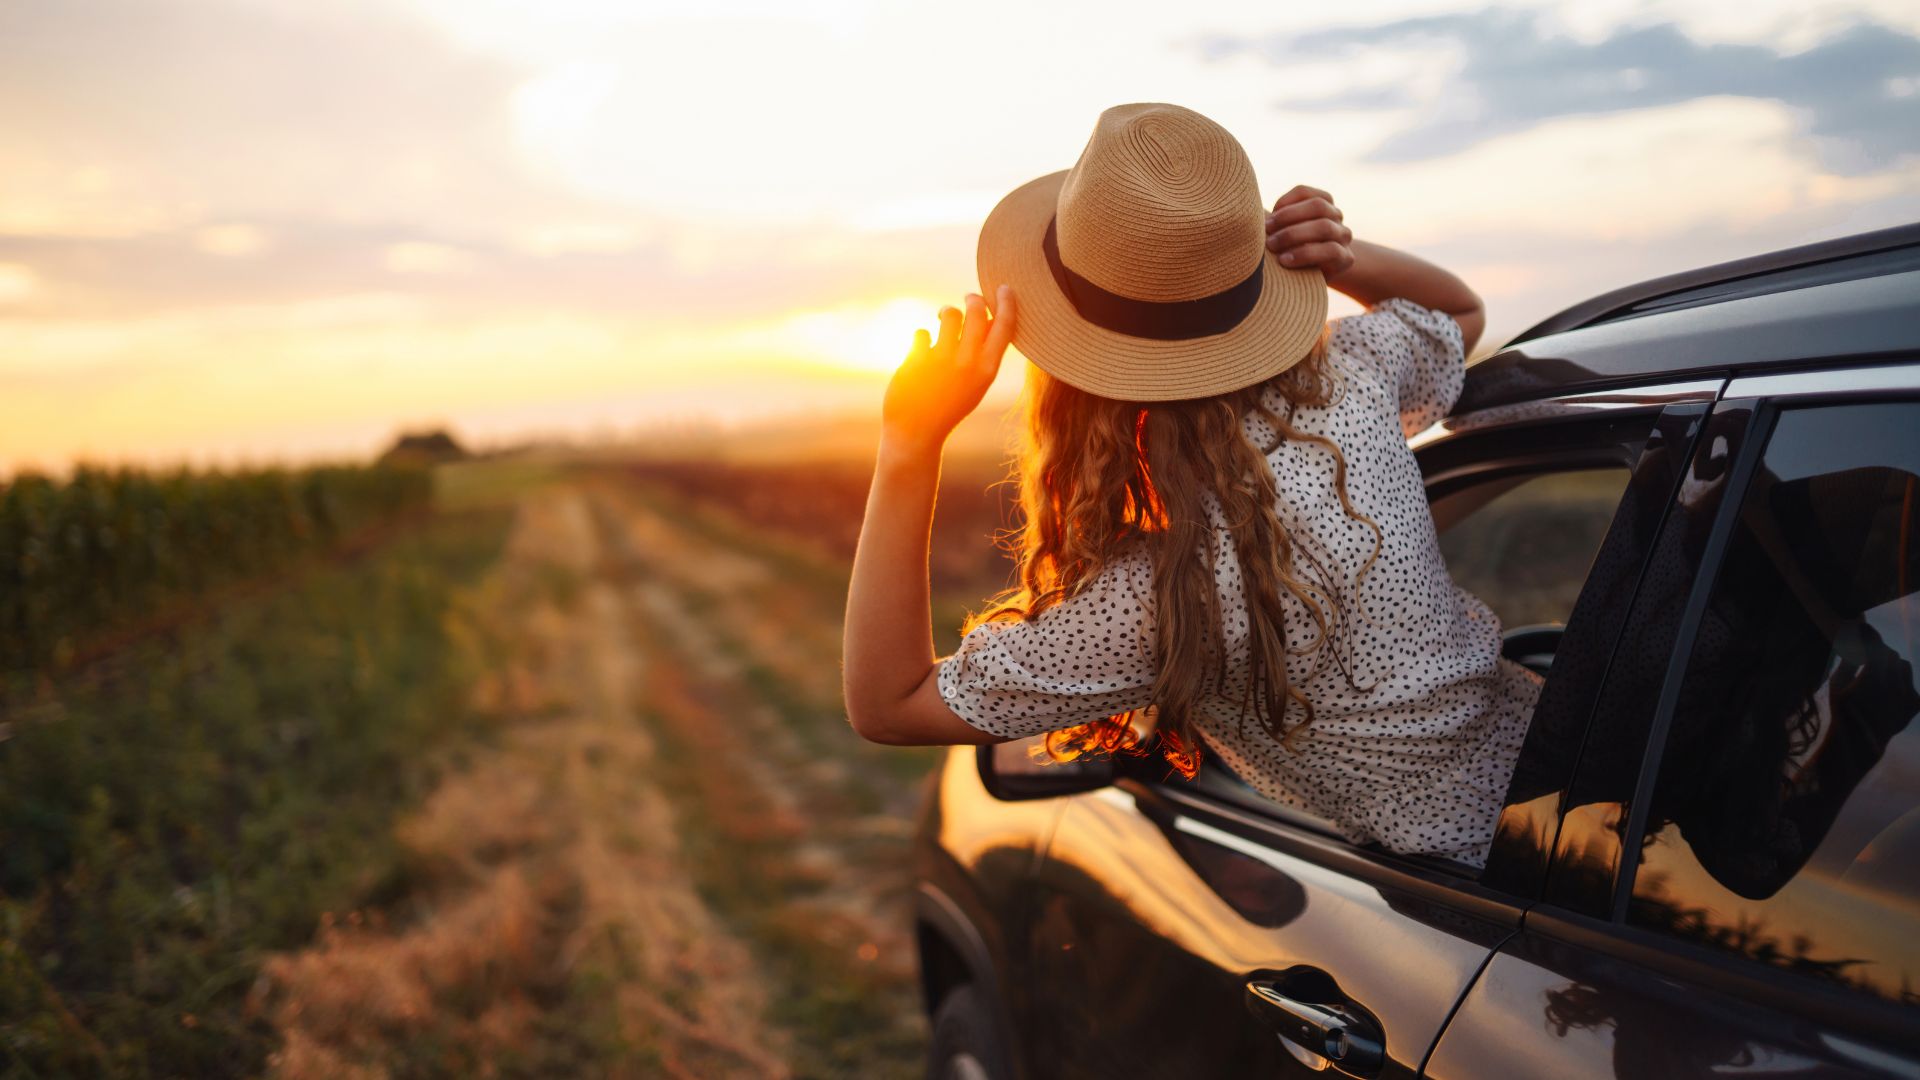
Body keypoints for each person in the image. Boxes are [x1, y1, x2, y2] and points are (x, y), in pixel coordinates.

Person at [841, 103, 1542, 869]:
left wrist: (911, 442)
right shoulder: (1347, 386)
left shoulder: (1164, 597)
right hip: (1570, 766)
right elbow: (1458, 314)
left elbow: (889, 705)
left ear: (1071, 367)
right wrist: (1340, 255)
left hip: (1495, 871)